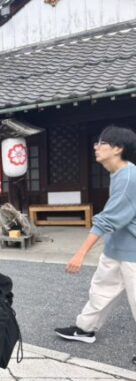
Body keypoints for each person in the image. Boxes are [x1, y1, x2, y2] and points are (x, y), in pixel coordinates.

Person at [55, 125, 136, 365]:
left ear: (118, 149)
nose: (96, 147)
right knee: (100, 290)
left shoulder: (129, 177)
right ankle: (85, 329)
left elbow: (107, 219)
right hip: (115, 248)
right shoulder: (118, 173)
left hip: (133, 253)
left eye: (102, 143)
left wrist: (80, 254)